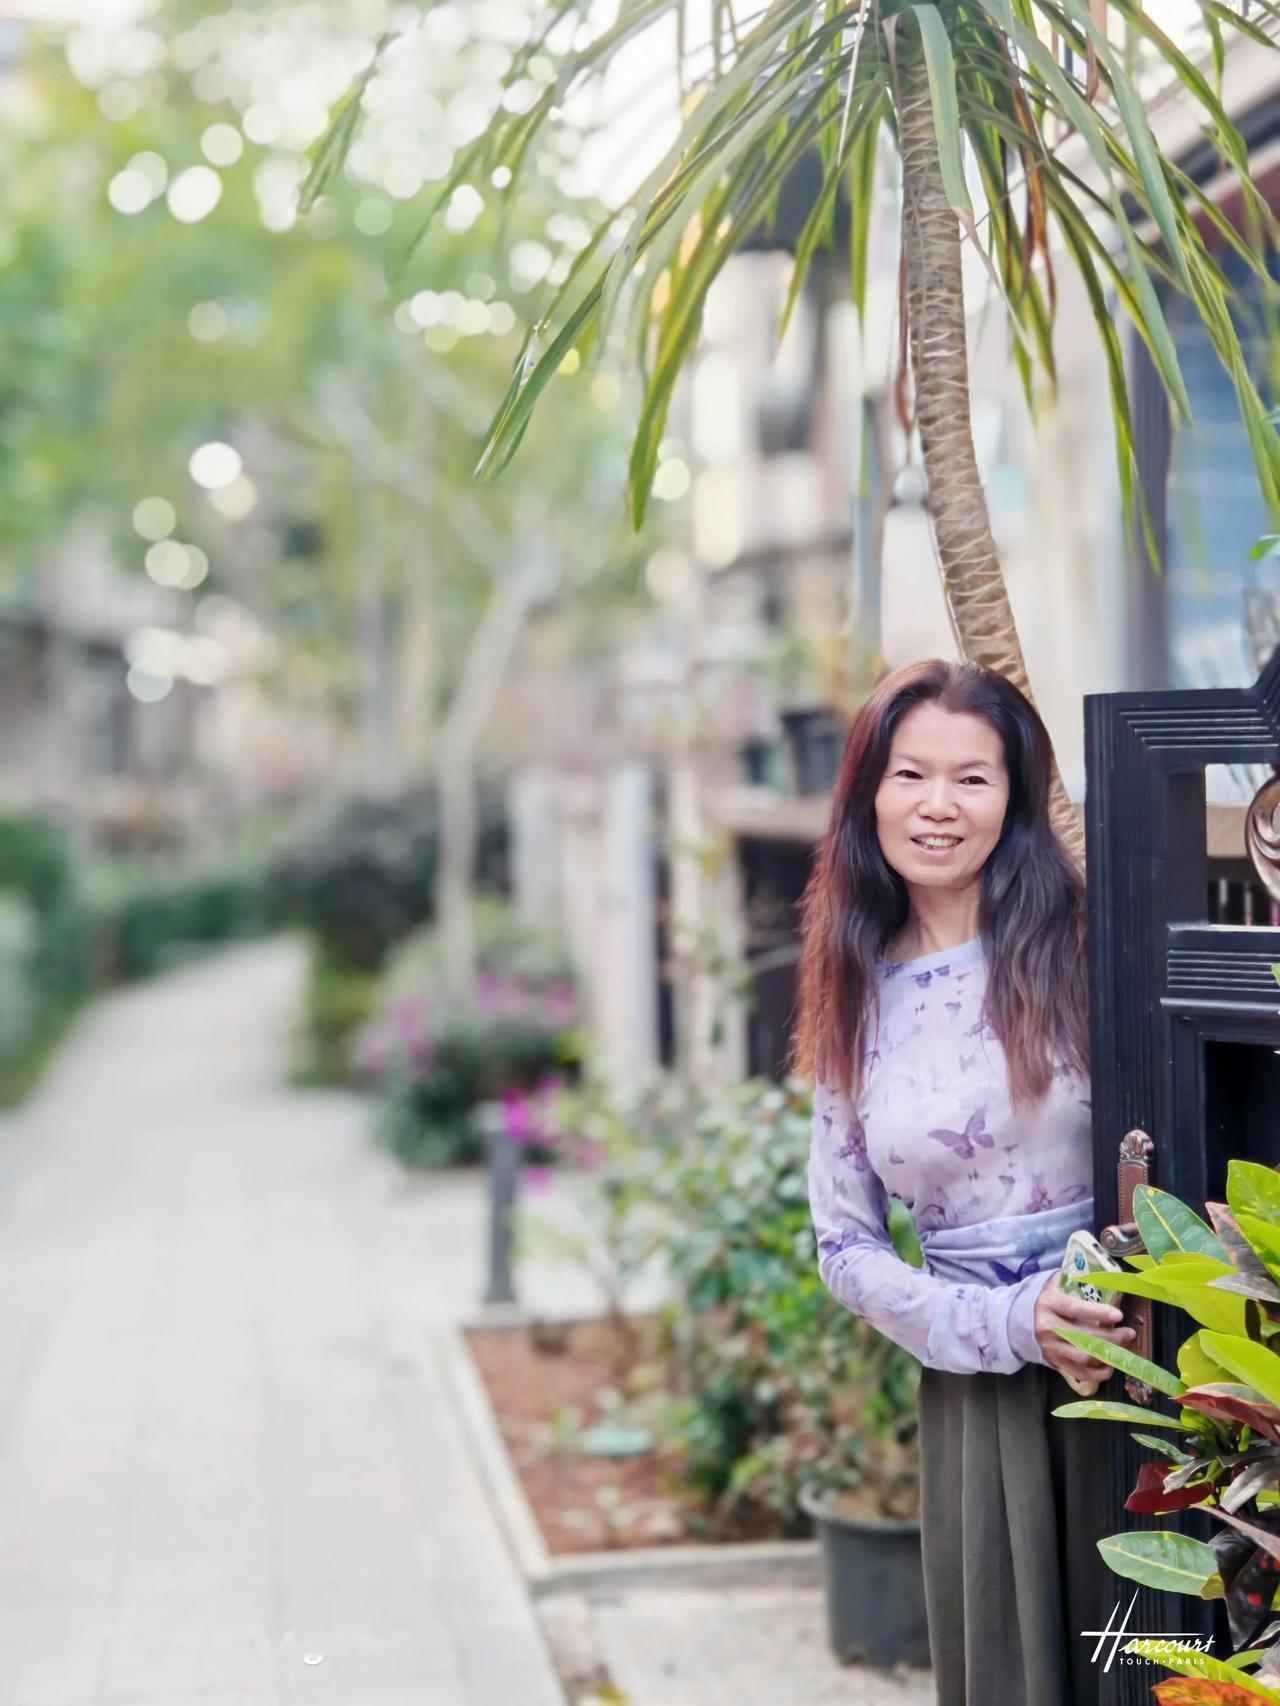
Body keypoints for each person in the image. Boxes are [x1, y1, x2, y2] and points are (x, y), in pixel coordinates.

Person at [795, 658, 1135, 1706]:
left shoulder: (1086, 943)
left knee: (1152, 1659)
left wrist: (1103, 1305)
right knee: (1011, 1673)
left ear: (1014, 796)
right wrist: (1005, 1322)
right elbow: (843, 1244)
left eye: (971, 778)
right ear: (869, 794)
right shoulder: (851, 986)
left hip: (1138, 1360)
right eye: (909, 774)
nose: (937, 805)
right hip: (979, 1389)